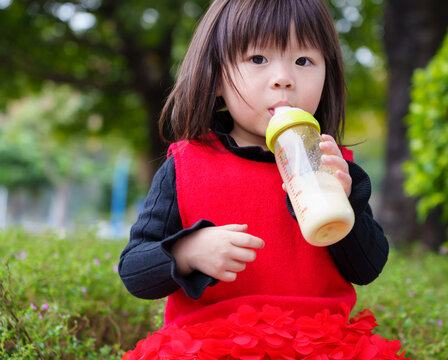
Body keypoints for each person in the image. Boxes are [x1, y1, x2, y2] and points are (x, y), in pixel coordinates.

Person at [118, 0, 408, 359]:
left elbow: (367, 267)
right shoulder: (187, 164)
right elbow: (134, 271)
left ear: (326, 76)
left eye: (304, 61)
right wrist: (186, 253)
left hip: (318, 343)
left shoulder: (333, 166)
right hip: (213, 343)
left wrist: (345, 202)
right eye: (258, 59)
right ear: (217, 77)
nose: (284, 78)